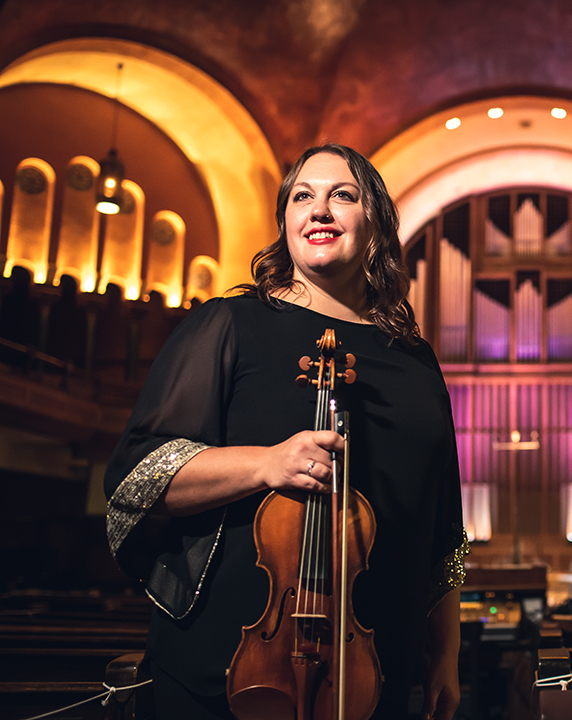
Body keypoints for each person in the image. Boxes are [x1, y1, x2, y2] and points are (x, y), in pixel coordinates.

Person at [104, 144, 467, 720]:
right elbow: (137, 478)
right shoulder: (228, 326)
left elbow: (443, 533)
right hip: (230, 668)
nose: (319, 209)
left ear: (375, 222)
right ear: (285, 222)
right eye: (303, 196)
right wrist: (265, 464)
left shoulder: (416, 361)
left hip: (373, 672)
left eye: (342, 195)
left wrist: (445, 656)